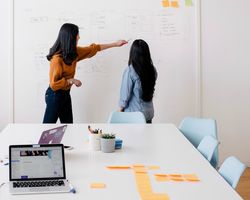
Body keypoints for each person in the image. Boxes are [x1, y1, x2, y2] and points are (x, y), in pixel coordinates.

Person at [43, 23, 127, 123]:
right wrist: (71, 80)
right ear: (70, 37)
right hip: (54, 95)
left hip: (65, 94)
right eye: (77, 34)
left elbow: (93, 48)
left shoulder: (73, 53)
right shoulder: (57, 60)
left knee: (68, 127)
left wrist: (115, 44)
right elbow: (54, 84)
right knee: (48, 127)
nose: (79, 37)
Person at [119, 39, 157, 123]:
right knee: (146, 136)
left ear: (133, 53)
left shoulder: (130, 71)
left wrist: (119, 111)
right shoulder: (152, 70)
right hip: (148, 114)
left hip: (134, 116)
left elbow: (125, 96)